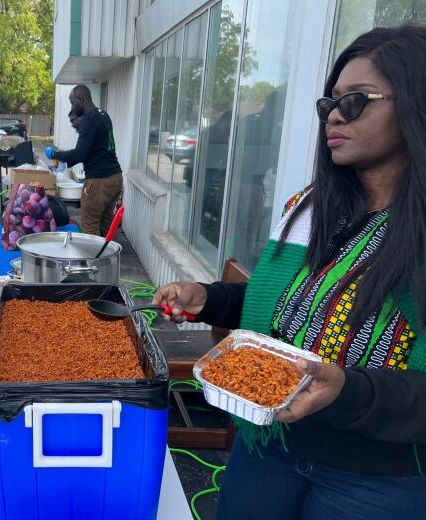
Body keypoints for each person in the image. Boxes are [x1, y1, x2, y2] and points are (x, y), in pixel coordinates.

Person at [153, 26, 426, 520]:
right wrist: (207, 299)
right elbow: (282, 312)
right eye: (330, 104)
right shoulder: (312, 209)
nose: (335, 116)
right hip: (270, 445)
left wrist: (348, 390)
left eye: (358, 101)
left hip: (375, 478)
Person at [45, 85, 122, 236]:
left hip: (99, 181)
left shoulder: (90, 119)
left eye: (73, 103)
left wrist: (54, 154)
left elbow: (78, 155)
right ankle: (110, 259)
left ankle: (92, 260)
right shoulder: (103, 115)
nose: (72, 108)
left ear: (81, 99)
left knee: (90, 227)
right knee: (107, 225)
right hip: (115, 177)